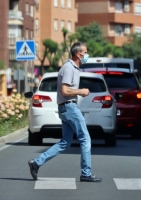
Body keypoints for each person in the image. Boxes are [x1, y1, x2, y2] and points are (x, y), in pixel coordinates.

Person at [28, 42, 102, 182]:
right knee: (85, 138)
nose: (86, 55)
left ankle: (37, 163)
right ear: (78, 54)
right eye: (85, 53)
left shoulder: (73, 68)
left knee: (65, 142)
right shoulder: (69, 68)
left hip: (66, 107)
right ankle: (86, 173)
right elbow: (65, 90)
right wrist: (81, 91)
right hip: (69, 107)